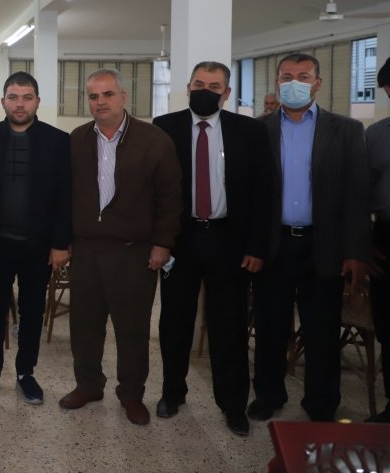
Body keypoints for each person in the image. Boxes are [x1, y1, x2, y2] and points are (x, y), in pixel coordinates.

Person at [152, 61, 272, 436]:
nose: (206, 91)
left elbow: (264, 193)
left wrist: (257, 246)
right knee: (174, 321)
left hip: (229, 240)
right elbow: (154, 190)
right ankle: (173, 393)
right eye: (199, 84)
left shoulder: (249, 131)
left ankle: (232, 404)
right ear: (188, 87)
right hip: (180, 239)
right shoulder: (164, 127)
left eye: (215, 86)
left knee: (229, 325)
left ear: (227, 93)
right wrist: (159, 241)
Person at [250, 53, 370, 423]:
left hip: (324, 244)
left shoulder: (347, 130)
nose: (294, 83)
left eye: (303, 76)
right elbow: (249, 195)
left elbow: (357, 195)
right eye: (287, 76)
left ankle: (321, 402)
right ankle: (268, 394)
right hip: (274, 244)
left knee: (322, 329)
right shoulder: (259, 129)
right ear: (277, 82)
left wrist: (355, 251)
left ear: (318, 83)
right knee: (270, 325)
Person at [60, 68, 181, 426]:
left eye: (108, 94)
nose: (100, 102)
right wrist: (62, 241)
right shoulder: (77, 139)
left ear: (124, 97)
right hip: (86, 251)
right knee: (84, 327)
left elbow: (170, 198)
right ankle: (88, 385)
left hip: (133, 252)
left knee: (132, 329)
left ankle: (131, 394)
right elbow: (64, 196)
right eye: (93, 96)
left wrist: (163, 244)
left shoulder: (154, 140)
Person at [0, 71, 70, 405]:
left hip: (37, 245)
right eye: (13, 97)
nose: (20, 104)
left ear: (37, 101)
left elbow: (64, 196)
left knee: (31, 311)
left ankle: (26, 373)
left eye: (27, 98)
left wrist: (60, 243)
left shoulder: (57, 141)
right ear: (3, 102)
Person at [364, 54, 390, 423]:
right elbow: (363, 191)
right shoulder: (377, 135)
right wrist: (364, 240)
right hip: (387, 238)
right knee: (388, 325)